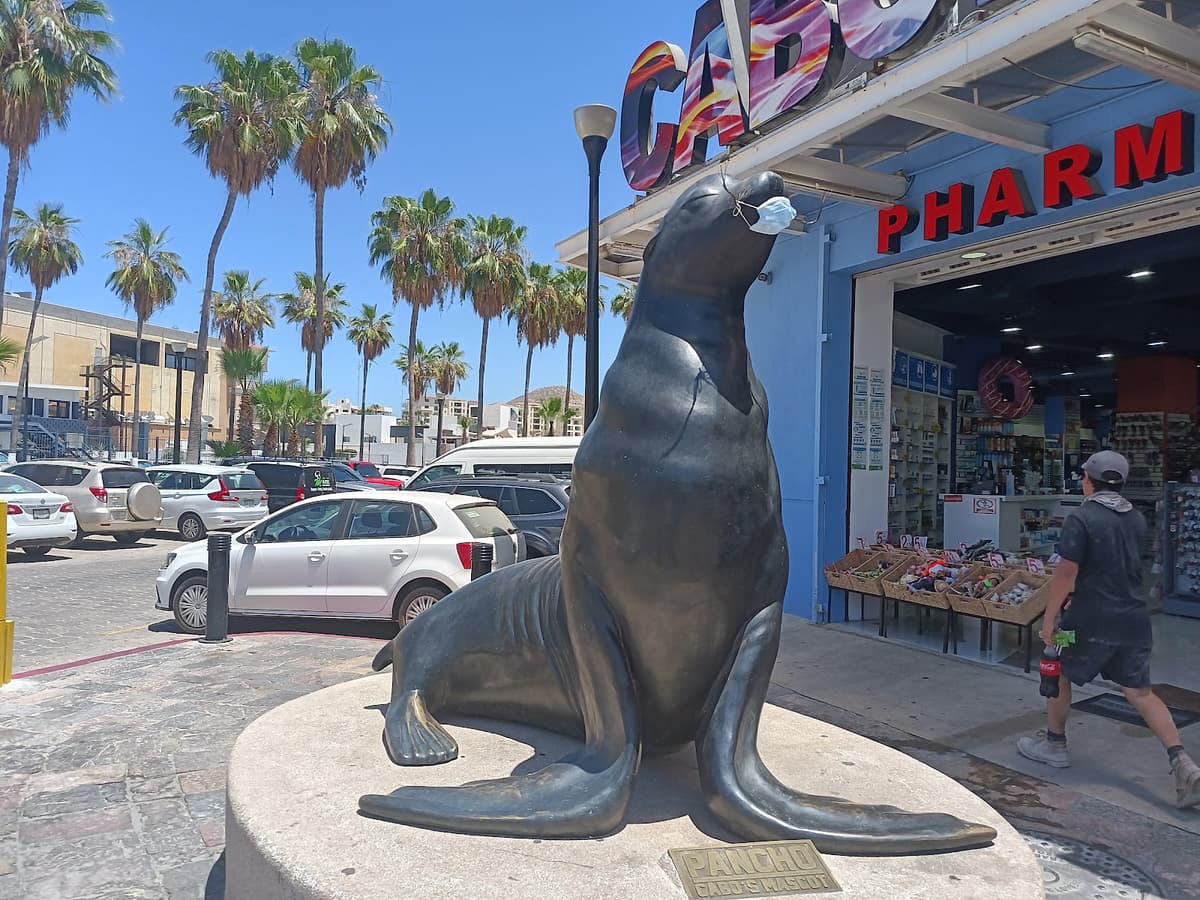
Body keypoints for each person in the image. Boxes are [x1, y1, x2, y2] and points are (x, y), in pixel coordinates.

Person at [1017, 450, 1200, 809]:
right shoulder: (1135, 519)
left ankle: (1054, 744)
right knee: (1141, 692)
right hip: (1133, 619)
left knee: (1057, 670)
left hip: (1088, 619)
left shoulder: (1081, 518)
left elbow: (1066, 576)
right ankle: (1182, 760)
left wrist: (1050, 620)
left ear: (1088, 478)